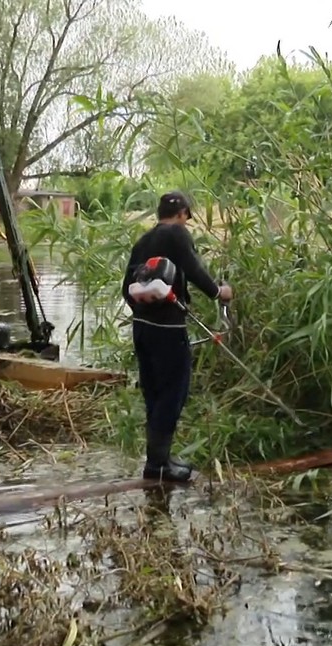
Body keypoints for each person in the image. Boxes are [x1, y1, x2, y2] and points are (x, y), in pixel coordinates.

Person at [121, 191, 233, 483]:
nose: (186, 222)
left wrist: (144, 310)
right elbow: (194, 269)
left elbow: (126, 289)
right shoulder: (177, 234)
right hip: (169, 330)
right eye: (187, 216)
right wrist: (218, 292)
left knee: (154, 392)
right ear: (182, 213)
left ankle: (157, 461)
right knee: (174, 391)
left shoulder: (142, 241)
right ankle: (159, 466)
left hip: (142, 328)